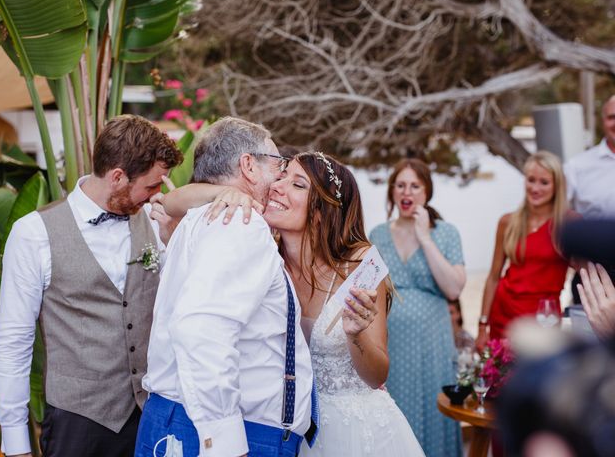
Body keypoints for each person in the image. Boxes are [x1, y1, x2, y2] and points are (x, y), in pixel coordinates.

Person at [161, 150, 426, 456]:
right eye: (282, 176)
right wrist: (226, 192)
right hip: (285, 429)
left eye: (298, 185)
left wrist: (355, 334)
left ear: (321, 210)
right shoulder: (265, 252)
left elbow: (377, 375)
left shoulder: (360, 265)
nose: (278, 186)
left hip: (356, 429)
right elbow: (171, 202)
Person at [0, 115, 184, 457]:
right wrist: (15, 442)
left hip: (150, 418)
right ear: (117, 177)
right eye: (152, 186)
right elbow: (12, 344)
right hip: (76, 423)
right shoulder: (34, 233)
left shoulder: (156, 225)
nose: (158, 196)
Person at [136, 117, 315, 457]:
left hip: (177, 419)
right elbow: (200, 329)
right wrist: (224, 441)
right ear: (248, 165)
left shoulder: (198, 219)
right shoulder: (241, 223)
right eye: (277, 165)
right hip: (224, 431)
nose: (280, 177)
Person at [369, 158, 465, 457]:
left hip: (432, 343)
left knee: (433, 412)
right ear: (392, 191)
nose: (406, 191)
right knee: (396, 414)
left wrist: (424, 237)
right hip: (391, 343)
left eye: (414, 185)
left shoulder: (446, 233)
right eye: (400, 185)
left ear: (426, 192)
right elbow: (370, 289)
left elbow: (453, 288)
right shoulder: (378, 234)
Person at [476, 151, 571, 350]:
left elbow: (585, 269)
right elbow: (494, 277)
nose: (535, 188)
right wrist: (483, 325)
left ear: (557, 186)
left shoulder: (568, 223)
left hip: (544, 318)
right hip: (504, 314)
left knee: (544, 378)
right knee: (502, 379)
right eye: (531, 180)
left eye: (544, 182)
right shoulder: (508, 222)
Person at [564, 95, 615, 219]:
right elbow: (554, 210)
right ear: (603, 121)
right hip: (595, 238)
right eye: (611, 117)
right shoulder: (576, 166)